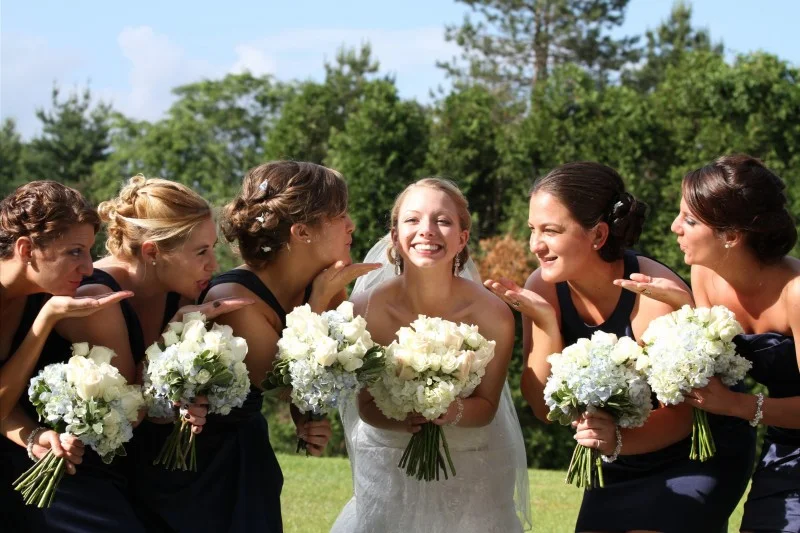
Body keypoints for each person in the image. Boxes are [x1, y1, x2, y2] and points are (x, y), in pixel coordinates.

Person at [485, 162, 755, 533]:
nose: (536, 245)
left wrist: (613, 439)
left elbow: (681, 415)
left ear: (597, 235)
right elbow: (542, 408)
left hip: (695, 451)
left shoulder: (652, 294)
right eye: (533, 229)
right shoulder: (543, 285)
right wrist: (547, 322)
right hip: (618, 457)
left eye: (550, 230)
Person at [332, 177, 531, 533]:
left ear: (462, 238)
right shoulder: (363, 310)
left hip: (471, 470)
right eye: (412, 220)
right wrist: (402, 419)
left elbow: (487, 406)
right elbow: (364, 406)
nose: (427, 230)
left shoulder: (493, 314)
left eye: (443, 220)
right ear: (394, 236)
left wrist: (448, 411)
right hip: (389, 465)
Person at [52, 175, 247, 531]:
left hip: (139, 459)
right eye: (201, 251)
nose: (213, 265)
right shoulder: (96, 297)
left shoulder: (183, 290)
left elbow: (162, 404)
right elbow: (133, 411)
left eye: (213, 248)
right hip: (78, 467)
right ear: (152, 252)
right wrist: (174, 333)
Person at [195, 161, 369, 532]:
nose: (351, 224)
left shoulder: (321, 283)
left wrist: (307, 416)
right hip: (205, 469)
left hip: (251, 460)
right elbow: (284, 382)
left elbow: (324, 377)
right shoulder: (234, 300)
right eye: (339, 215)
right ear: (302, 231)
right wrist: (319, 304)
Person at [637, 155, 798, 532]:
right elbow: (717, 364)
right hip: (782, 440)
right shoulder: (704, 274)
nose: (675, 227)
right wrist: (682, 312)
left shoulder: (797, 294)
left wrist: (738, 405)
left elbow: (733, 399)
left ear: (731, 235)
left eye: (690, 221)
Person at [0, 181, 132, 531]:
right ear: (26, 249)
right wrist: (44, 322)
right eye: (75, 252)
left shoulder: (45, 293)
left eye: (89, 251)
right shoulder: (48, 306)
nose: (89, 268)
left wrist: (32, 436)